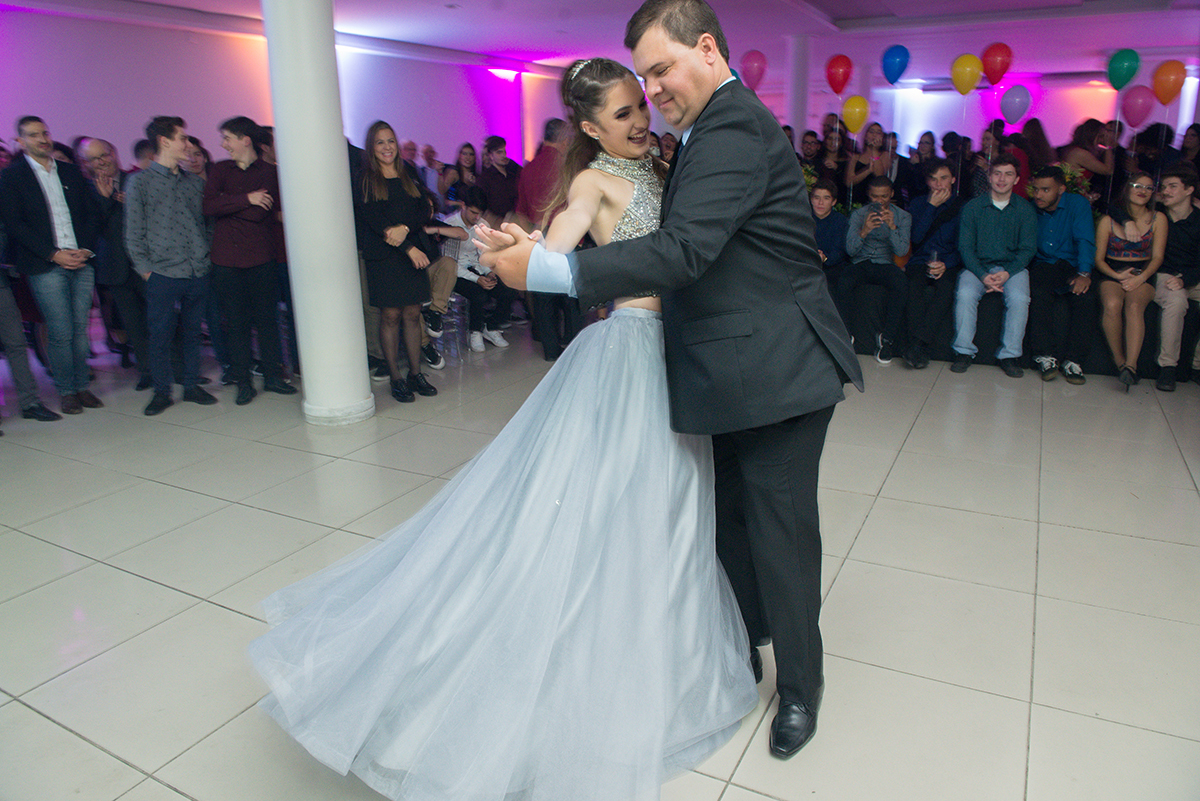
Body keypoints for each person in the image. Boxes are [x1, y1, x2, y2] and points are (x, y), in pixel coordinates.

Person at [249, 56, 757, 801]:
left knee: (672, 509)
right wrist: (512, 254)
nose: (640, 119)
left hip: (679, 356)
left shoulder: (662, 162)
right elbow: (556, 256)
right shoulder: (591, 183)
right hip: (633, 352)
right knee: (623, 510)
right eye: (622, 114)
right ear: (588, 127)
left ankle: (661, 654)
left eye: (640, 106)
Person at [481, 0, 862, 760]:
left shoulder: (730, 127)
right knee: (730, 524)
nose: (653, 91)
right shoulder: (700, 134)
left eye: (661, 69)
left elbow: (684, 251)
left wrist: (555, 268)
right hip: (726, 363)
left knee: (780, 535)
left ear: (709, 50)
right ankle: (741, 642)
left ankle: (800, 688)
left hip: (780, 368)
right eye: (644, 78)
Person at [0, 116, 102, 415]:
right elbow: (15, 225)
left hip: (81, 259)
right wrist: (53, 254)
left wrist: (84, 248)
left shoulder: (70, 172)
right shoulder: (12, 177)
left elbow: (91, 214)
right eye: (33, 135)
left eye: (45, 133)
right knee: (60, 331)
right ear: (21, 141)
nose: (42, 139)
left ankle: (82, 385)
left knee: (81, 330)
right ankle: (67, 390)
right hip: (46, 264)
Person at [124, 116, 218, 415]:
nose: (188, 144)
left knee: (193, 333)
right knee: (160, 334)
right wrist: (146, 270)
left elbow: (208, 224)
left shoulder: (194, 183)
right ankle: (162, 391)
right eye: (183, 138)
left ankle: (191, 385)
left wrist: (205, 256)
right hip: (162, 272)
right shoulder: (140, 181)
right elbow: (133, 231)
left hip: (196, 270)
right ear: (165, 141)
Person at [203, 116, 297, 405]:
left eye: (227, 138)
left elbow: (261, 213)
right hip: (226, 261)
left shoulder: (269, 172)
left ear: (245, 139)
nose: (223, 144)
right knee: (236, 323)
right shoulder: (220, 170)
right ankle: (243, 382)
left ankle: (273, 377)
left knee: (267, 321)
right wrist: (247, 199)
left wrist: (229, 204)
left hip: (260, 258)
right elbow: (207, 206)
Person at [354, 121, 439, 404]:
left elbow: (424, 210)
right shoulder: (364, 178)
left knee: (413, 314)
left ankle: (415, 373)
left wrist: (404, 230)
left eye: (390, 141)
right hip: (384, 257)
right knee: (390, 316)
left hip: (410, 249)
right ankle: (396, 377)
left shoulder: (409, 172)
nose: (387, 147)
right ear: (371, 146)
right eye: (380, 142)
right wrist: (408, 246)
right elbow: (376, 222)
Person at [952, 153, 1037, 377]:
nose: (1002, 179)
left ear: (1017, 179)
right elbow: (965, 248)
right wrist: (982, 275)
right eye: (997, 173)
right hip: (978, 267)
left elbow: (1028, 249)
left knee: (1020, 299)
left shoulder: (1025, 210)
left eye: (1008, 174)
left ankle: (1009, 355)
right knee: (965, 294)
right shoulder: (973, 207)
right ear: (988, 177)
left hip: (1012, 268)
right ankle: (964, 351)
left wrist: (1008, 273)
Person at [82, 137, 153, 391]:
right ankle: (147, 371)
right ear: (86, 164)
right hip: (115, 267)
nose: (101, 161)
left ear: (114, 153)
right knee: (133, 324)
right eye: (95, 158)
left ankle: (175, 367)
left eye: (105, 154)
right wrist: (106, 200)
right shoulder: (86, 191)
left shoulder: (136, 180)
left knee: (161, 317)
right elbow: (92, 229)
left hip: (146, 262)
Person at [1094, 171, 1167, 390]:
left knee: (1135, 306)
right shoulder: (1108, 220)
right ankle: (1120, 362)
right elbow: (1098, 258)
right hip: (1112, 271)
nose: (1142, 191)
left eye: (1147, 187)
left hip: (1142, 272)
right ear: (1127, 188)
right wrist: (1116, 276)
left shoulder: (1158, 218)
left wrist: (1141, 277)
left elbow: (1158, 257)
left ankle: (1132, 365)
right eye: (1137, 185)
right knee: (1113, 304)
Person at [1026, 166, 1096, 384]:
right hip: (1043, 263)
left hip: (1072, 264)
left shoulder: (1077, 204)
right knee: (1037, 293)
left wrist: (1084, 273)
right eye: (1036, 189)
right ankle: (1045, 356)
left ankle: (1074, 361)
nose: (1038, 195)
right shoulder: (1030, 208)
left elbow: (1085, 239)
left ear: (1061, 189)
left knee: (1086, 299)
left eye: (1045, 190)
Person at [840, 175, 911, 363]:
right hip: (861, 262)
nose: (880, 201)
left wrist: (892, 227)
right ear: (869, 196)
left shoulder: (903, 216)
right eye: (875, 197)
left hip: (885, 263)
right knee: (844, 280)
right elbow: (850, 250)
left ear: (892, 195)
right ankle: (847, 334)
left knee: (901, 284)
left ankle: (886, 339)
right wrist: (864, 230)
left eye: (884, 197)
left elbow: (902, 250)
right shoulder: (858, 215)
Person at [903, 159, 963, 369]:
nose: (938, 185)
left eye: (944, 179)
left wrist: (947, 264)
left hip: (949, 261)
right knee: (913, 287)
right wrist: (931, 207)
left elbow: (963, 245)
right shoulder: (919, 203)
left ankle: (918, 344)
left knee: (946, 289)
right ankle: (917, 347)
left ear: (953, 180)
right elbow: (916, 238)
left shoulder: (962, 206)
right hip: (921, 260)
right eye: (933, 180)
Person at [1150, 164, 1199, 392]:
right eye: (1164, 187)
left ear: (1189, 190)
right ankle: (1168, 368)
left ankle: (1197, 365)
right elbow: (1120, 208)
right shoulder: (1157, 214)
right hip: (1164, 274)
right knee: (1177, 301)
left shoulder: (1198, 219)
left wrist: (1186, 279)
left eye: (1172, 187)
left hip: (1191, 276)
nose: (1166, 191)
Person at [478, 135, 522, 227]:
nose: (503, 155)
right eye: (499, 152)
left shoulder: (512, 174)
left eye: (504, 152)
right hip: (496, 225)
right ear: (490, 155)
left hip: (517, 222)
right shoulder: (485, 178)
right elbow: (482, 206)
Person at [845, 121, 889, 206]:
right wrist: (867, 171)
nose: (874, 135)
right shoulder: (856, 156)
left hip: (874, 202)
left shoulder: (884, 155)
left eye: (878, 133)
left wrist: (874, 150)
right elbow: (849, 182)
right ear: (865, 136)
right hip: (856, 201)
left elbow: (879, 176)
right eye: (871, 132)